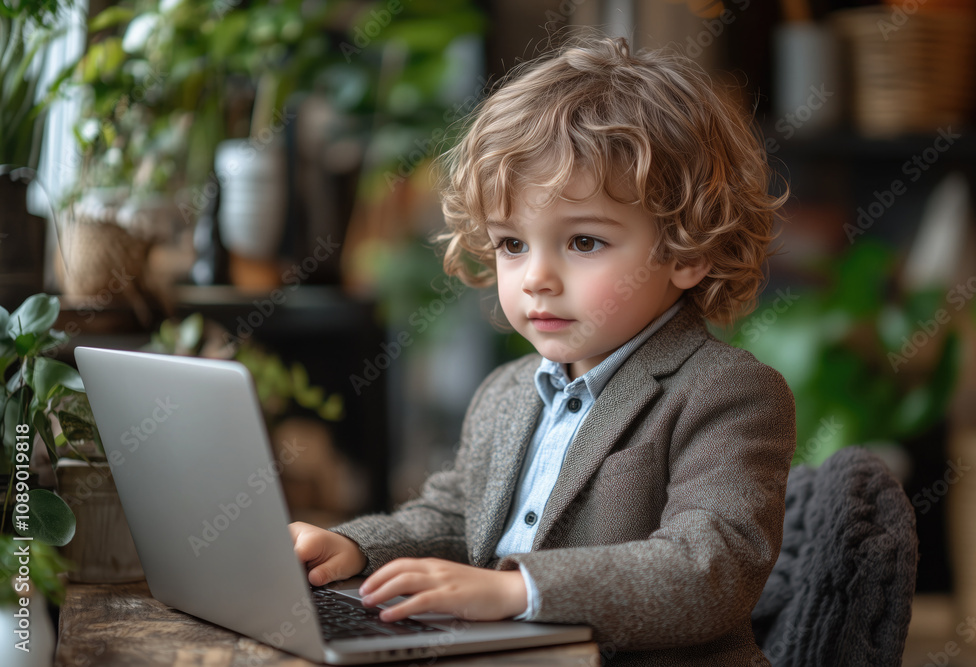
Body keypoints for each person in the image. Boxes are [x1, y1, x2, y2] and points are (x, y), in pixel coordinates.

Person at [291, 34, 796, 665]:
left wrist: (517, 590)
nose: (535, 278)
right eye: (511, 244)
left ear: (688, 250)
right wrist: (358, 547)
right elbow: (453, 518)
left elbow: (708, 572)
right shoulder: (504, 391)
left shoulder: (726, 392)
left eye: (583, 242)